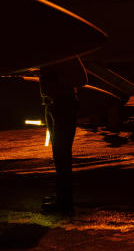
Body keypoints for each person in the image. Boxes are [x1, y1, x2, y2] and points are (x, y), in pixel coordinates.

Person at [38, 57, 88, 215]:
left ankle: (65, 202)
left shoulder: (67, 54)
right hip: (52, 104)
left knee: (62, 154)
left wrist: (57, 79)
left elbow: (82, 79)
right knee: (59, 154)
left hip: (63, 104)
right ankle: (62, 199)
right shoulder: (52, 53)